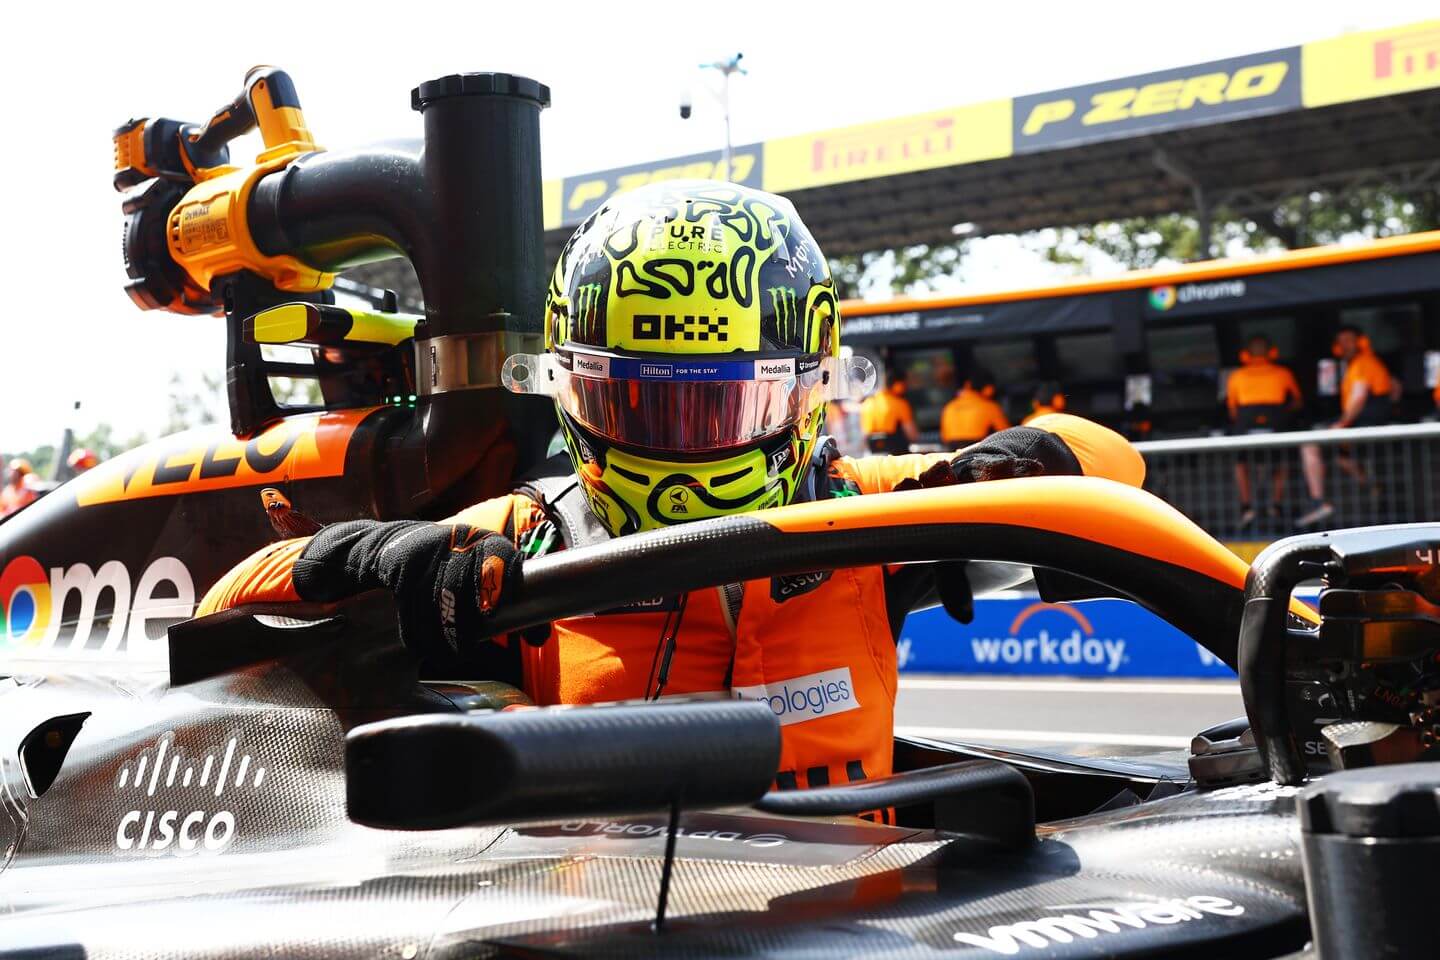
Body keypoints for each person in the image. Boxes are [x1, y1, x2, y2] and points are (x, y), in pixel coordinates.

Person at [198, 180, 1146, 797]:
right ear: (570, 390)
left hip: (863, 915)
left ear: (810, 390)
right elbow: (220, 610)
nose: (687, 445)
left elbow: (1114, 474)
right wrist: (366, 558)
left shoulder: (870, 507)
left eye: (723, 406)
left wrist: (1011, 466)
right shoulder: (524, 536)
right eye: (646, 404)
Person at [1298, 326, 1393, 528]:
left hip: (1365, 427)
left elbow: (1358, 398)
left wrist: (1341, 424)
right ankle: (1374, 486)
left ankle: (1319, 503)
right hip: (1364, 427)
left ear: (1361, 342)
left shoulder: (1363, 363)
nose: (1344, 346)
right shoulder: (1360, 364)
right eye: (1340, 342)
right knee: (1340, 456)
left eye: (1349, 340)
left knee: (1310, 445)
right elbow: (1396, 388)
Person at [1226, 335, 1302, 530]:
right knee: (1281, 462)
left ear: (1245, 355)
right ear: (1273, 353)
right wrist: (1284, 414)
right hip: (1277, 422)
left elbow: (1232, 410)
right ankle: (1275, 505)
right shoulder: (1284, 373)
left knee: (1241, 464)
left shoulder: (1236, 376)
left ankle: (1247, 507)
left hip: (1245, 424)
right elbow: (1297, 401)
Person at [940, 369, 1010, 447]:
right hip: (977, 448)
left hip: (951, 449)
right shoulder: (989, 406)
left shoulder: (950, 406)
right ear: (989, 389)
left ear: (967, 385)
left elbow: (944, 437)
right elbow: (1007, 435)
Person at [859, 369, 918, 455]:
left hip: (873, 456)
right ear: (898, 384)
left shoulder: (868, 403)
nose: (906, 387)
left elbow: (864, 436)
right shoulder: (900, 404)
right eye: (905, 383)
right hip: (896, 455)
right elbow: (913, 435)